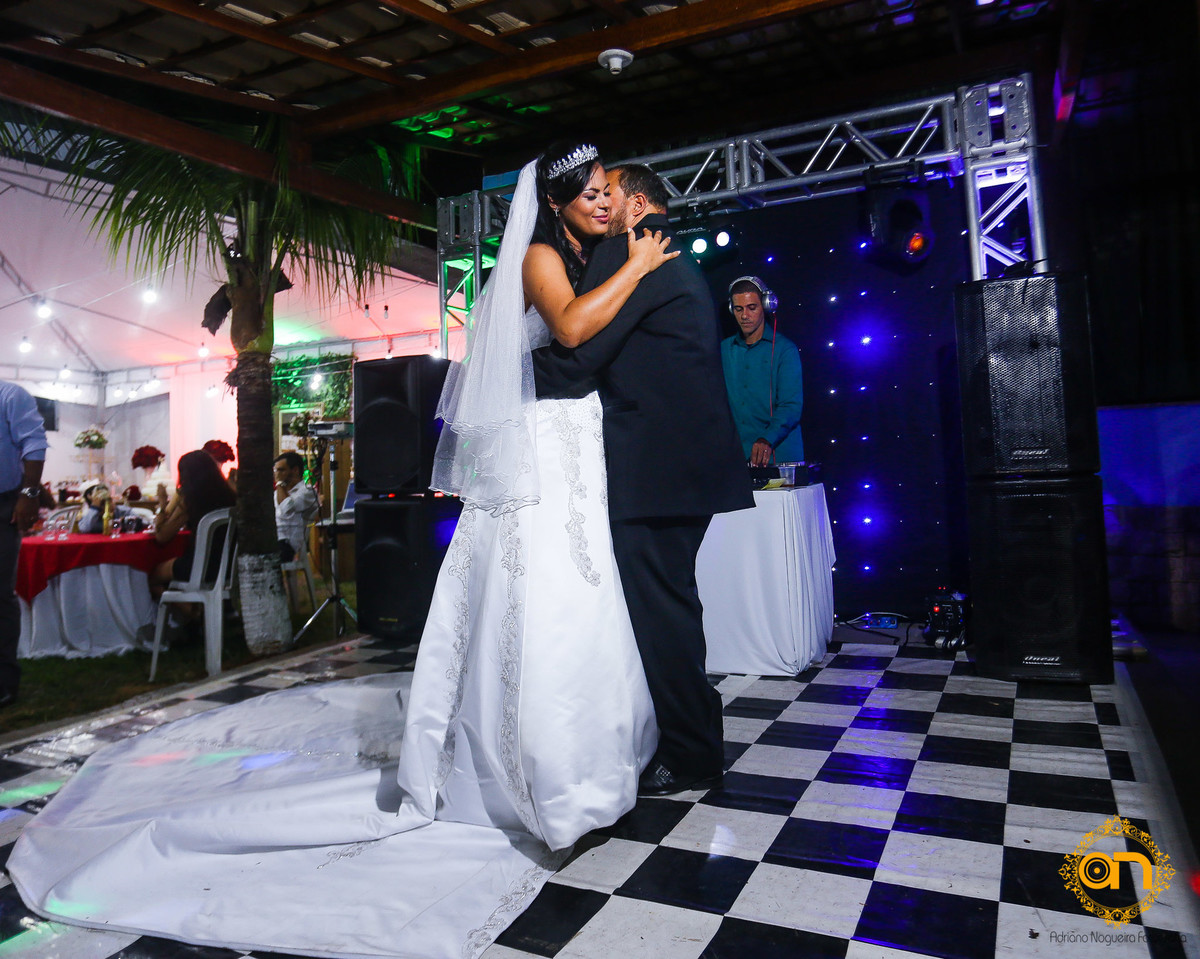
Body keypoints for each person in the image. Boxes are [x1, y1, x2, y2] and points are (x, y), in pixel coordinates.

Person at [10, 141, 680, 958]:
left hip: (577, 445)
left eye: (610, 190)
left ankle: (601, 757)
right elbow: (571, 325)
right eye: (594, 192)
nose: (607, 202)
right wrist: (639, 267)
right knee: (539, 595)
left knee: (584, 591)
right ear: (559, 200)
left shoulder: (586, 251)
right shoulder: (543, 255)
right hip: (543, 448)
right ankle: (537, 767)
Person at [531, 164, 754, 796]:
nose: (600, 204)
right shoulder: (670, 255)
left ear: (635, 205)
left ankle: (692, 754)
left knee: (663, 615)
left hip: (657, 471)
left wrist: (505, 379)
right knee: (672, 605)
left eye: (609, 193)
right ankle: (689, 737)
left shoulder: (634, 253)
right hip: (683, 468)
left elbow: (580, 359)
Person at [721, 276, 805, 466]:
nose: (744, 316)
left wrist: (767, 438)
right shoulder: (724, 350)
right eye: (738, 309)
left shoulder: (785, 350)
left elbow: (791, 406)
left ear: (766, 306)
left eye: (752, 308)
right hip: (737, 459)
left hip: (780, 456)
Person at [0, 380, 48, 708]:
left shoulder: (10, 396)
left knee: (0, 594)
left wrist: (29, 494)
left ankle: (4, 681)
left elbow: (34, 442)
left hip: (4, 503)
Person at [148, 449, 237, 598]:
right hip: (229, 567)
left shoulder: (191, 501)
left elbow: (162, 537)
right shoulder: (230, 496)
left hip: (200, 566)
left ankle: (189, 608)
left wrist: (162, 504)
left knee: (153, 576)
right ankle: (196, 607)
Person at [272, 451, 317, 561]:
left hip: (289, 544)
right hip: (274, 539)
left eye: (281, 470)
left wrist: (279, 483)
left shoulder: (307, 491)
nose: (276, 474)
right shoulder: (277, 493)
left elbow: (286, 509)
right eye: (275, 470)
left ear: (295, 470)